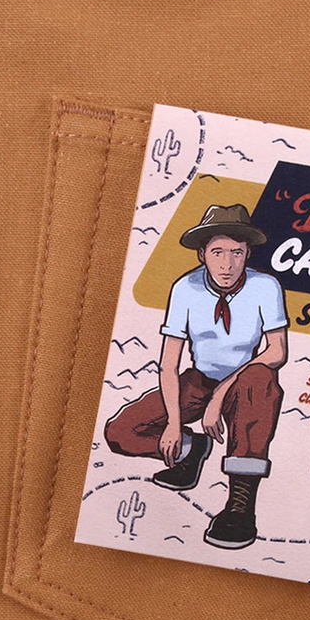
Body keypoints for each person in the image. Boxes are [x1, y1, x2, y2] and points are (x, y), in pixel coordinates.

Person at [104, 204, 289, 550]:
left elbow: (277, 352)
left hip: (244, 384)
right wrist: (175, 426)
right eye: (218, 252)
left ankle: (240, 506)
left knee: (261, 380)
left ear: (248, 254)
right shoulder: (185, 289)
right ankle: (192, 450)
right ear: (202, 254)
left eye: (236, 253)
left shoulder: (265, 287)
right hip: (199, 380)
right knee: (121, 432)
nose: (227, 264)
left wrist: (221, 394)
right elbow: (168, 364)